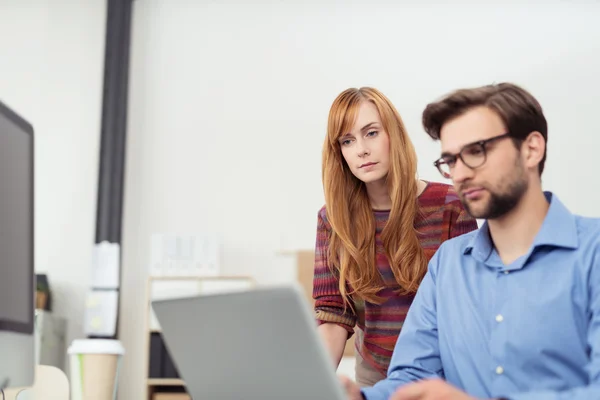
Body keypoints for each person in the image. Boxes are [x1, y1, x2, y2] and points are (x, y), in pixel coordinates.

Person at [342, 82, 600, 400]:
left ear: (531, 149)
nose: (461, 173)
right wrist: (359, 397)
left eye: (477, 151)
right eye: (451, 160)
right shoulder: (447, 264)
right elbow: (414, 376)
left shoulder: (593, 254)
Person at [314, 87, 478, 387]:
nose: (361, 149)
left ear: (394, 134)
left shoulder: (451, 205)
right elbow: (333, 314)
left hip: (442, 374)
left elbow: (468, 305)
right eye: (347, 141)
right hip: (374, 375)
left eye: (371, 133)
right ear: (340, 153)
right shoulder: (332, 219)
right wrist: (311, 385)